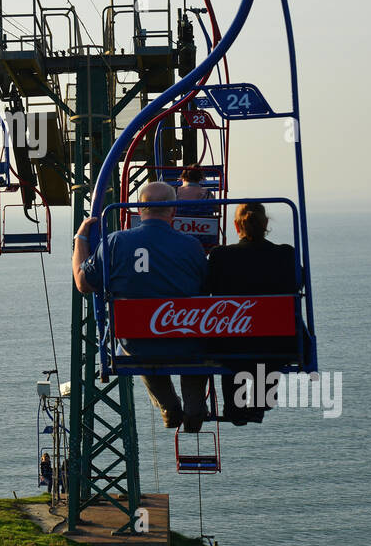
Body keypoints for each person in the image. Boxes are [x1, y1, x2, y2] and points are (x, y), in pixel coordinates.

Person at [72, 182, 210, 432]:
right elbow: (204, 289)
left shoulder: (115, 242)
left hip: (137, 341)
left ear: (138, 210)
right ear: (173, 211)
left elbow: (83, 283)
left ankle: (169, 406)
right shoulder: (191, 246)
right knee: (194, 341)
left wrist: (81, 238)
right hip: (185, 341)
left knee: (140, 343)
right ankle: (194, 406)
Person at [205, 202, 299, 425]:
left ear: (237, 226)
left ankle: (235, 407)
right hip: (277, 343)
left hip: (231, 342)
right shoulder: (286, 254)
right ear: (266, 224)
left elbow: (206, 287)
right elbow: (298, 283)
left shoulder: (220, 256)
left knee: (231, 345)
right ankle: (261, 401)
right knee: (272, 340)